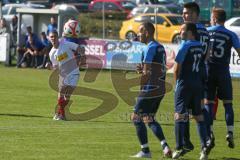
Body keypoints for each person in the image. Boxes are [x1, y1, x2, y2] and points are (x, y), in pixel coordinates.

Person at [130, 22, 172, 158]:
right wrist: (142, 69)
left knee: (136, 117)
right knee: (149, 118)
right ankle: (165, 146)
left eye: (140, 31)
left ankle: (145, 151)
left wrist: (142, 88)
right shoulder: (160, 47)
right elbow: (153, 68)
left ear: (147, 32)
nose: (138, 34)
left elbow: (147, 73)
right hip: (161, 89)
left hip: (150, 88)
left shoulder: (150, 48)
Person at [205, 8, 240, 149]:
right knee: (228, 104)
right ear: (224, 19)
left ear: (213, 18)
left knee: (208, 104)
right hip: (223, 73)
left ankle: (210, 134)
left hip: (208, 72)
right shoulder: (231, 34)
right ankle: (230, 133)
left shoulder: (206, 32)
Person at [172, 22, 208, 160]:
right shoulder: (199, 46)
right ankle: (204, 149)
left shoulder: (185, 45)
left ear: (190, 32)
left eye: (182, 30)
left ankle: (179, 147)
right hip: (197, 84)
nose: (180, 32)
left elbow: (176, 68)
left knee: (179, 115)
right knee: (198, 116)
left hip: (185, 84)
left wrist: (177, 86)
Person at [182, 2, 213, 152]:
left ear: (194, 14)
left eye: (186, 13)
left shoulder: (191, 31)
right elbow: (208, 54)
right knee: (197, 109)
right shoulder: (206, 31)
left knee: (188, 111)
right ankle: (207, 136)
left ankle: (188, 142)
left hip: (191, 75)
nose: (184, 15)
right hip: (202, 72)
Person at [49, 21, 85, 121]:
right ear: (49, 38)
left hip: (74, 73)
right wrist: (50, 68)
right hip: (63, 75)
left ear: (58, 38)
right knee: (60, 94)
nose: (53, 39)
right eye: (51, 37)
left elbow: (79, 48)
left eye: (55, 37)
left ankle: (60, 113)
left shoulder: (66, 44)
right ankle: (61, 115)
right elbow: (55, 67)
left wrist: (81, 57)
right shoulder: (51, 53)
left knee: (67, 97)